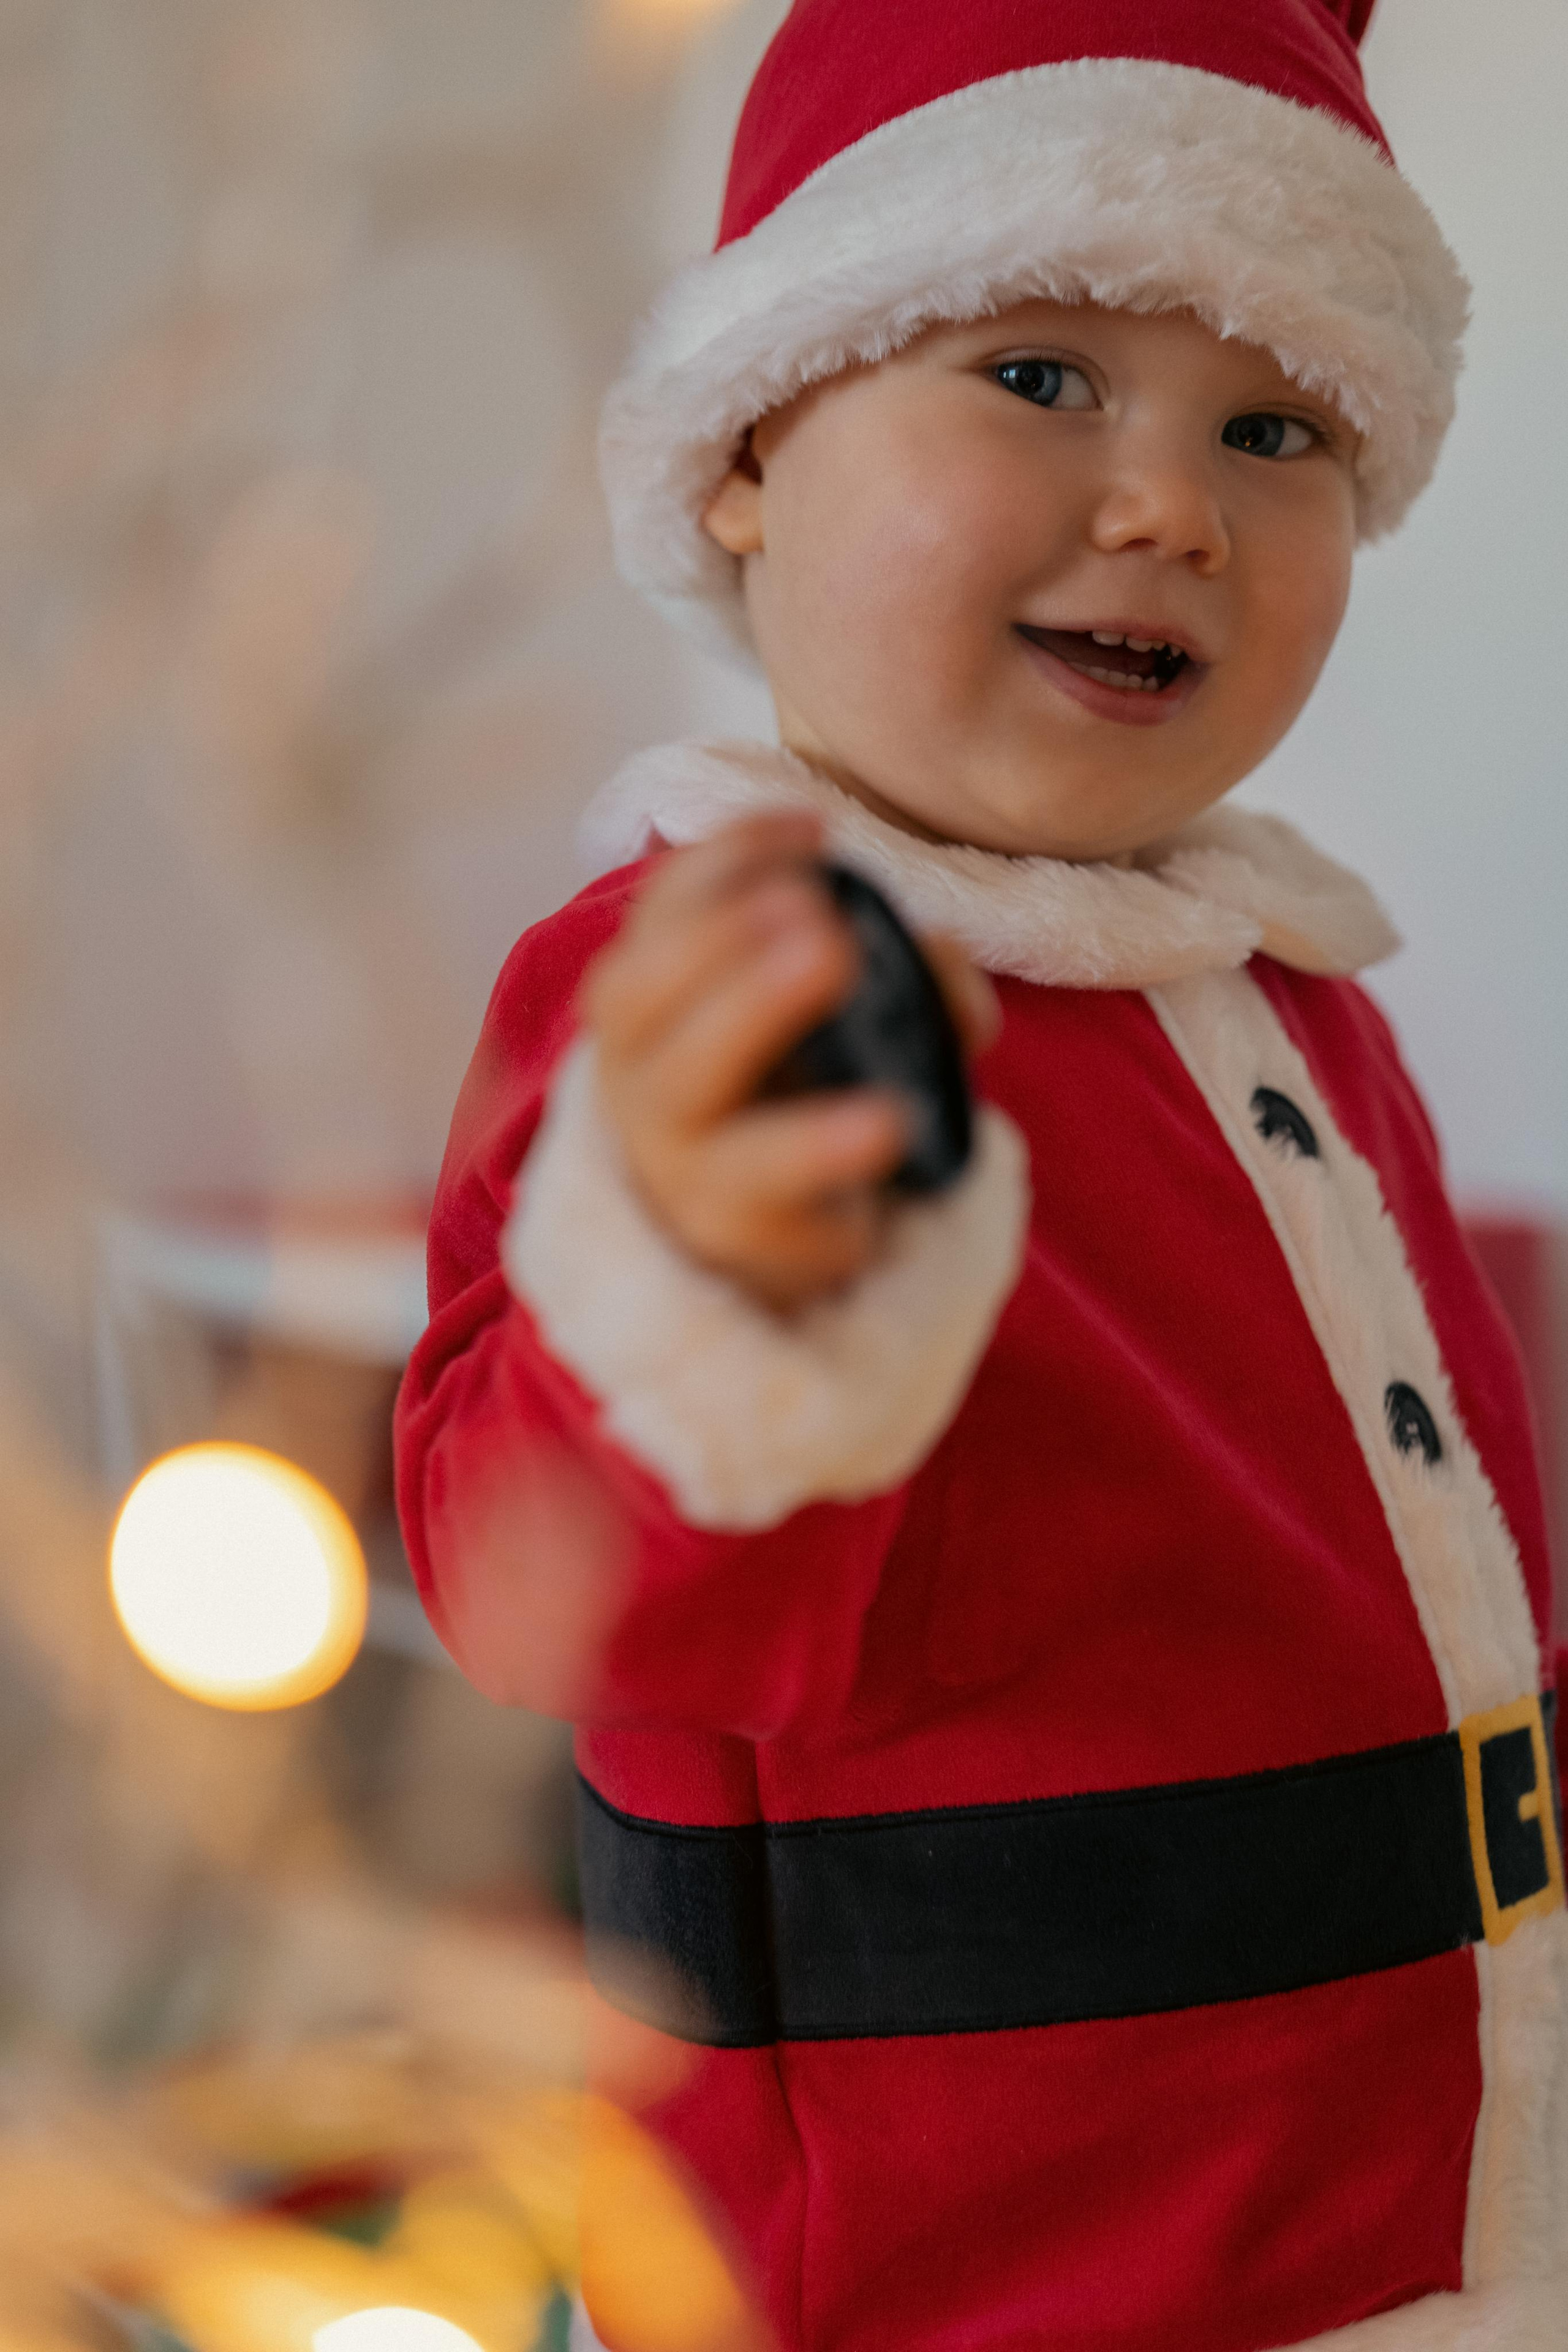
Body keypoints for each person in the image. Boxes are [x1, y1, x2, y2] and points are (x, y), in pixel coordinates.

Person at [394, 3, 1568, 2345]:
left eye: (1278, 428)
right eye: (1039, 377)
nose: (1172, 507)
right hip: (997, 2273)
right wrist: (712, 1298)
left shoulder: (1287, 999)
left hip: (1434, 2191)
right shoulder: (723, 982)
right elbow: (563, 1587)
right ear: (744, 452)